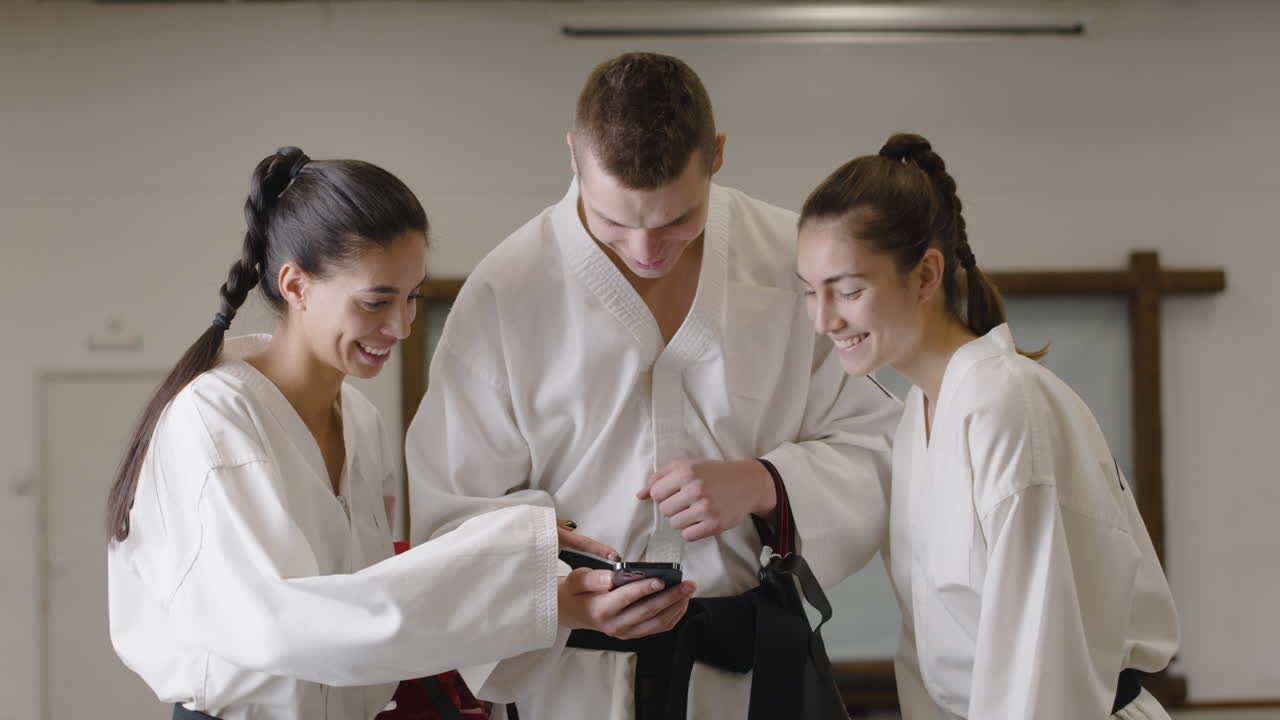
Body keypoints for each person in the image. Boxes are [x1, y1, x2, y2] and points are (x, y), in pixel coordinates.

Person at [106, 146, 684, 720]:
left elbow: (381, 604)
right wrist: (514, 566)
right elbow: (289, 626)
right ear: (295, 285)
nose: (401, 325)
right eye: (376, 301)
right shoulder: (216, 417)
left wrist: (553, 599)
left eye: (411, 297)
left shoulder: (362, 420)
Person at [406, 53, 899, 720]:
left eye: (676, 220)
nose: (645, 250)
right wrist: (560, 590)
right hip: (573, 683)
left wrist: (763, 482)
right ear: (574, 157)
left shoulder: (791, 261)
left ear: (716, 155)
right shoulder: (505, 293)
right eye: (616, 224)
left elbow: (876, 445)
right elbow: (450, 511)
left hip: (747, 674)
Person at [795, 132, 1181, 719]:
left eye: (848, 290)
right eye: (809, 293)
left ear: (926, 276)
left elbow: (1043, 661)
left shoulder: (1008, 405)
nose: (824, 319)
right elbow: (925, 646)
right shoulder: (916, 421)